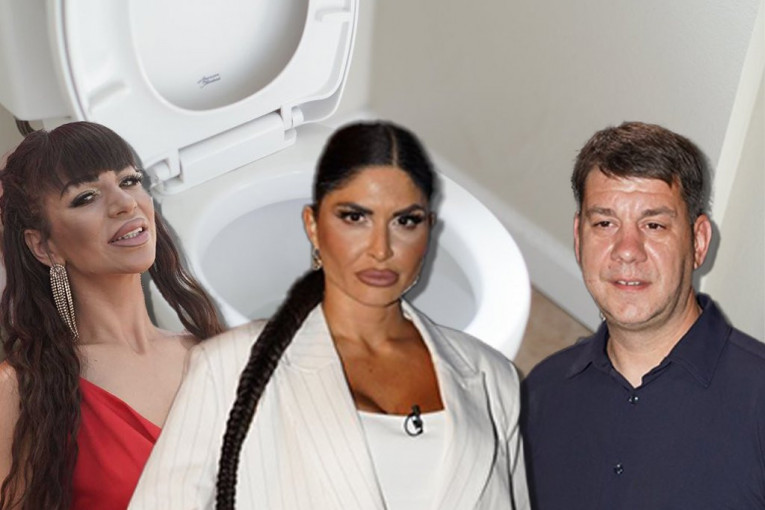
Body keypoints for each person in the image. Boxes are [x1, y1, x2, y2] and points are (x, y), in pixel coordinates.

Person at [129, 121, 530, 510]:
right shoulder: (221, 370)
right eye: (355, 217)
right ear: (314, 227)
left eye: (406, 220)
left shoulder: (494, 379)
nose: (381, 248)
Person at [521, 121, 765, 509]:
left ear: (699, 242)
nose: (627, 250)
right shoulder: (542, 392)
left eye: (653, 225)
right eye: (605, 223)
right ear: (579, 238)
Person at [0, 121, 224, 510]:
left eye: (129, 180)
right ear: (44, 246)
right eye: (86, 197)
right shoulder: (21, 391)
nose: (125, 203)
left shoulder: (213, 356)